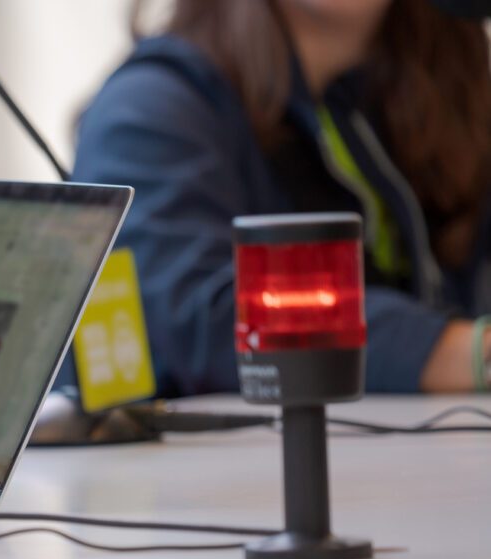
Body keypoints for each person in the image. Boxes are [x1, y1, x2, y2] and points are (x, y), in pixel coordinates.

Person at [72, 0, 491, 397]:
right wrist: (463, 353)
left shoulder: (427, 101)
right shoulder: (151, 108)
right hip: (215, 467)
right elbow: (204, 318)